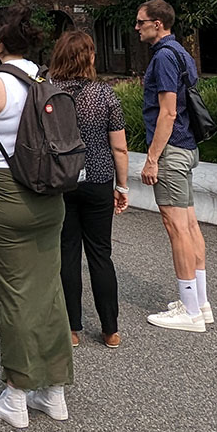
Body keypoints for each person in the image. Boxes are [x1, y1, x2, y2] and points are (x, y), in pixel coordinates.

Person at [0, 4, 73, 429]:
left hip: (6, 190)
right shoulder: (44, 78)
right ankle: (54, 392)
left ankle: (15, 393)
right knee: (48, 290)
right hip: (50, 194)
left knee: (13, 293)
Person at [48, 31, 129, 348]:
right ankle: (110, 329)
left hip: (62, 181)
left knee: (66, 252)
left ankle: (71, 328)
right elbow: (119, 148)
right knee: (100, 254)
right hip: (98, 179)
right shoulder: (104, 95)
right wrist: (121, 185)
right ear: (89, 58)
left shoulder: (49, 93)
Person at [136, 0, 212, 332]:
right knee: (190, 224)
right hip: (187, 146)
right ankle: (200, 302)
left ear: (158, 23)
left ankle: (189, 309)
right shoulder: (180, 52)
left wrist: (152, 158)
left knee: (176, 227)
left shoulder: (164, 57)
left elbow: (167, 112)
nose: (137, 27)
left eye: (141, 22)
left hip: (172, 150)